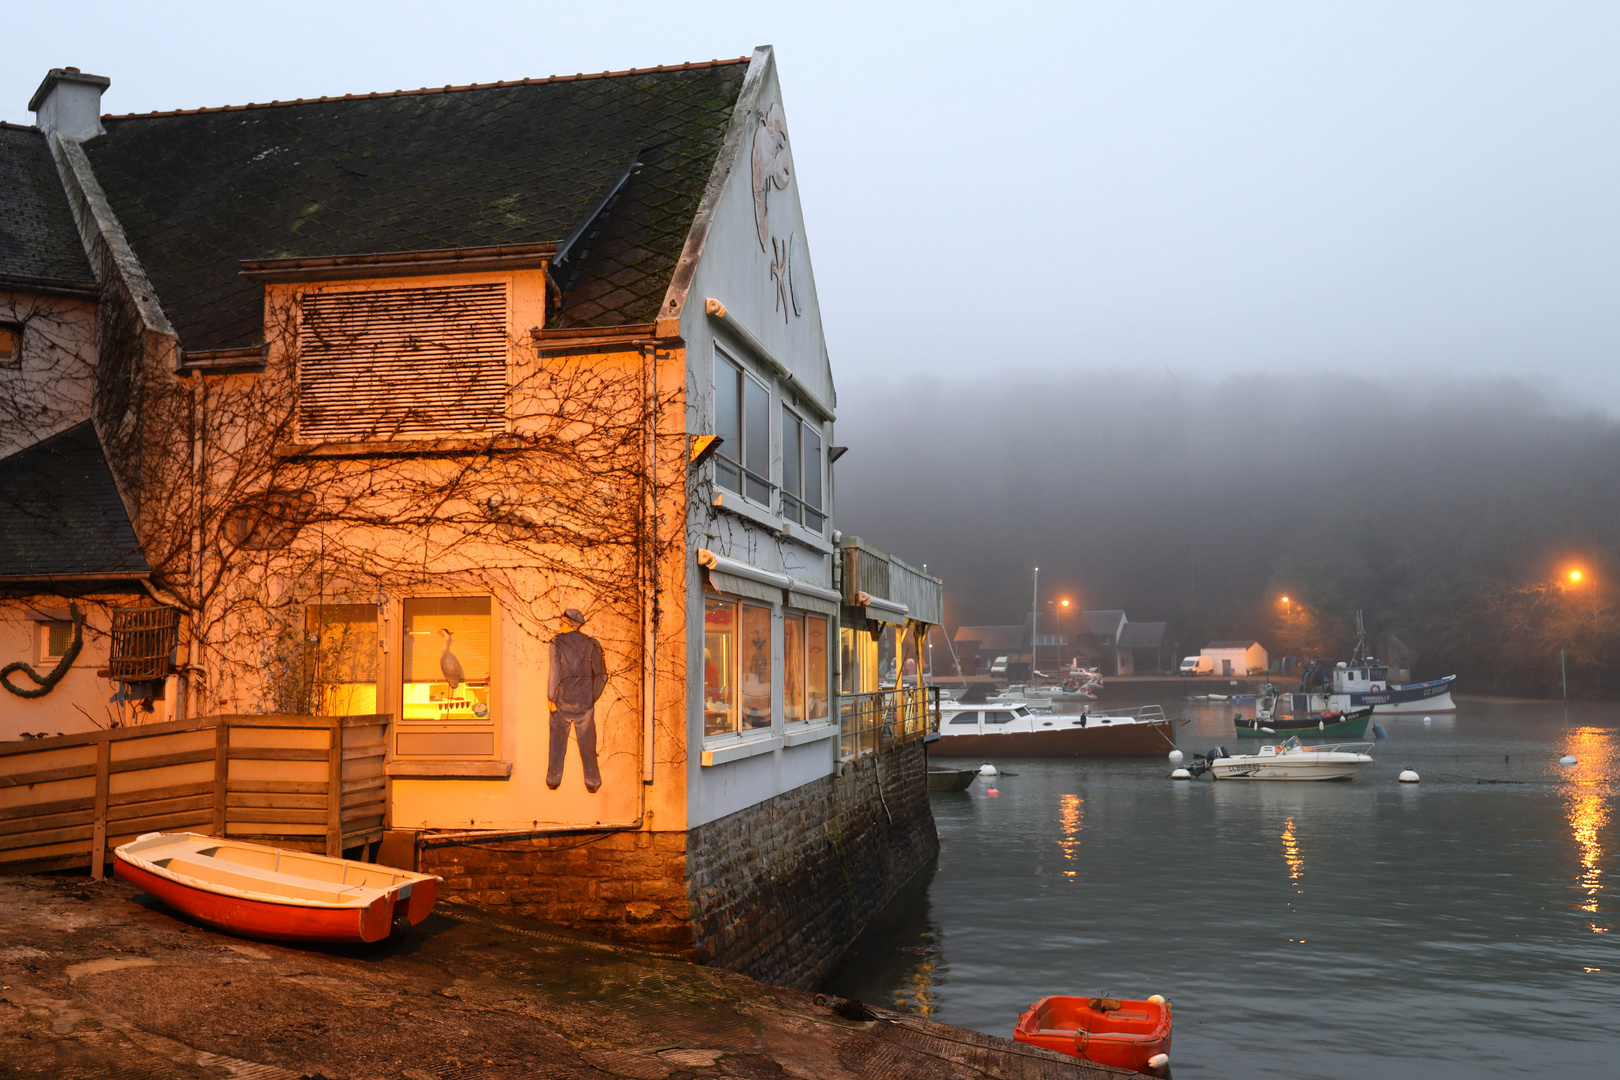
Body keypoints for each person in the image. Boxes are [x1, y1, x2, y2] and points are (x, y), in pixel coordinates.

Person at [547, 608, 608, 793]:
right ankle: (593, 782)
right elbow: (602, 676)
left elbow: (555, 672)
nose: (560, 625)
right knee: (588, 745)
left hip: (561, 703)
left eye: (562, 622)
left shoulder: (556, 643)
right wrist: (591, 697)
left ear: (569, 623)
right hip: (584, 705)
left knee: (557, 744)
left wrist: (551, 697)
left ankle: (553, 779)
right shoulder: (592, 644)